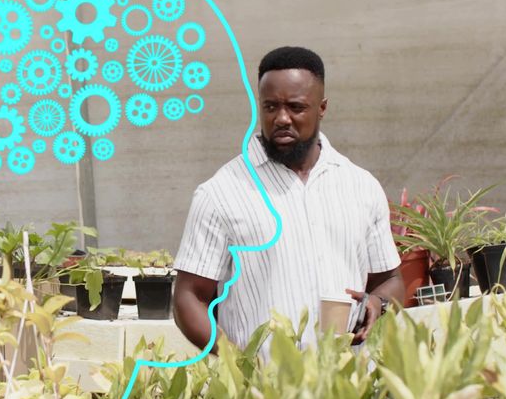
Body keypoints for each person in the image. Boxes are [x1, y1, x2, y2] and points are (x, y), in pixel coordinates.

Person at [172, 46, 404, 354]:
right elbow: (189, 297)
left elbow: (390, 280)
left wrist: (378, 302)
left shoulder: (360, 186)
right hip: (264, 393)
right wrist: (238, 366)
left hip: (350, 387)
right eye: (270, 107)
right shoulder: (221, 193)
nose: (282, 118)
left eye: (296, 107)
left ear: (322, 108)